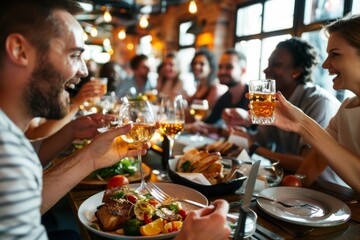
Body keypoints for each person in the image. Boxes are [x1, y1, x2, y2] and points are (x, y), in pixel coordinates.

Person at [0, 0, 230, 239]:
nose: (84, 71)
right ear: (19, 50)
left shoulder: (10, 142)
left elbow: (24, 198)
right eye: (74, 55)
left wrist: (89, 157)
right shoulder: (9, 153)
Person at [222, 38, 341, 176]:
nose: (266, 70)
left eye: (276, 65)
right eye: (268, 64)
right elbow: (261, 141)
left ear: (296, 71)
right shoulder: (274, 99)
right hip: (286, 179)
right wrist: (242, 134)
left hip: (325, 189)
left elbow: (304, 163)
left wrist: (254, 147)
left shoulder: (319, 102)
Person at [270, 14, 360, 192]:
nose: (326, 64)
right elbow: (318, 159)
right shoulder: (346, 107)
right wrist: (292, 187)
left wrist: (303, 124)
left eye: (334, 54)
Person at [26, 79, 104, 140]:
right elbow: (35, 136)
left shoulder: (43, 93)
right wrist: (77, 103)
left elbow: (43, 124)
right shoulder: (27, 92)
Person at [187, 48, 228, 113]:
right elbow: (188, 105)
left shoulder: (215, 88)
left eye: (202, 64)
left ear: (210, 68)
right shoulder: (200, 86)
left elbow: (205, 115)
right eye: (195, 63)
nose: (196, 66)